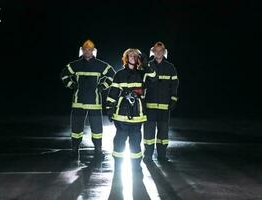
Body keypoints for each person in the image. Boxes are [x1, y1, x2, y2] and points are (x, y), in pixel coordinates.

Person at [60, 39, 115, 161]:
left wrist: (102, 86)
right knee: (76, 129)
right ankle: (74, 151)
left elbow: (112, 75)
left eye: (89, 50)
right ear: (82, 51)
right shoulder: (75, 64)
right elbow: (64, 74)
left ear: (93, 51)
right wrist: (72, 85)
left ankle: (98, 151)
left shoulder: (101, 65)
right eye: (85, 50)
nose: (87, 52)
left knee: (97, 130)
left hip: (94, 103)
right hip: (78, 102)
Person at [106, 48, 155, 176]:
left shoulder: (143, 73)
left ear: (138, 58)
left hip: (137, 115)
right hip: (121, 115)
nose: (132, 57)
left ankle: (136, 168)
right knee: (119, 141)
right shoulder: (119, 74)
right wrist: (109, 109)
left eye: (135, 55)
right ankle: (118, 168)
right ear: (126, 57)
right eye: (130, 55)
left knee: (135, 143)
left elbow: (154, 78)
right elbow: (113, 93)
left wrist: (145, 65)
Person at [143, 41, 179, 163]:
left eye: (160, 51)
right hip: (150, 105)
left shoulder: (170, 67)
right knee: (148, 133)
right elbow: (142, 85)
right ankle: (148, 155)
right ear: (153, 52)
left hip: (164, 106)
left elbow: (174, 85)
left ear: (164, 52)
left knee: (163, 133)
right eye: (156, 51)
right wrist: (142, 101)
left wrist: (173, 99)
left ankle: (162, 156)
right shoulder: (147, 66)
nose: (158, 53)